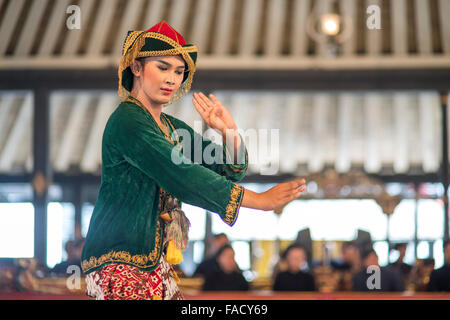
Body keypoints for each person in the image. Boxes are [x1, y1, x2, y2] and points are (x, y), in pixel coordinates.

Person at [81, 21, 307, 300]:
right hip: (120, 259)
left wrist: (230, 133)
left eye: (178, 71)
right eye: (162, 67)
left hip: (153, 264)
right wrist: (259, 201)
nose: (172, 79)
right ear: (136, 67)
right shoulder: (128, 121)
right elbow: (181, 175)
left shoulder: (171, 128)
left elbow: (227, 171)